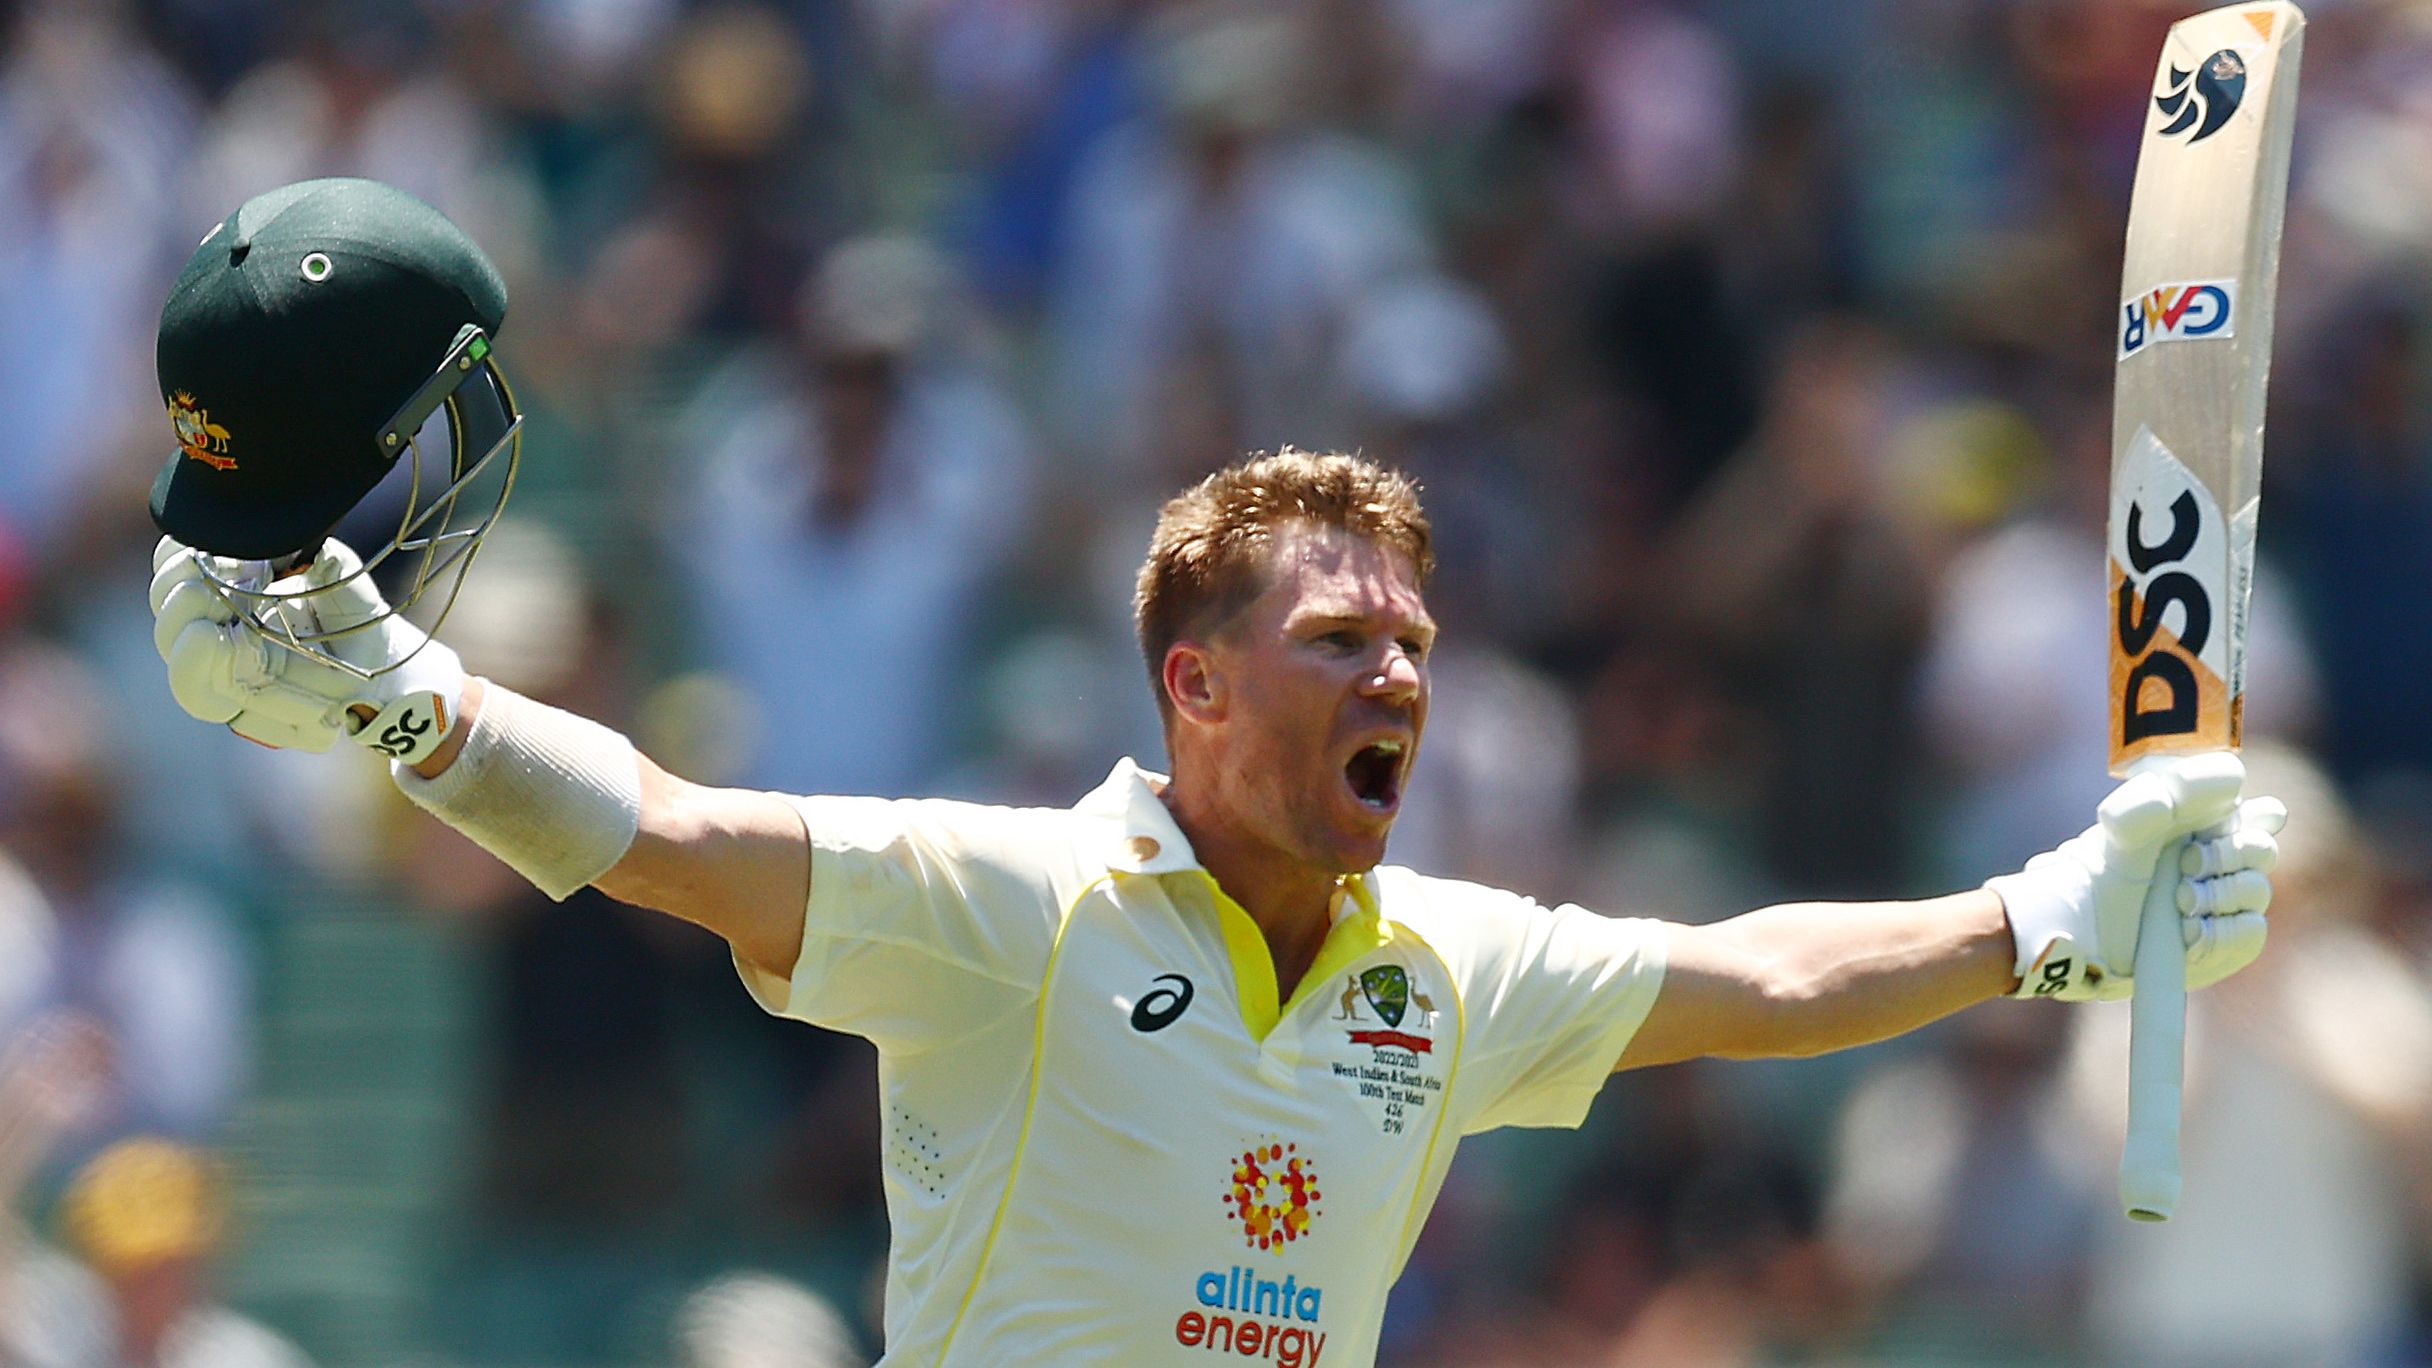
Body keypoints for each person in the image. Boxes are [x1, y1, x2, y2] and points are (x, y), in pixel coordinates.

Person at [140, 183, 2282, 1367]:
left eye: (1416, 649)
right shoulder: (1006, 910)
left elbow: (1763, 980)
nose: (1399, 684)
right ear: (1194, 688)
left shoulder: (1443, 970)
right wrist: (407, 704)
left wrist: (2044, 924)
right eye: (1340, 644)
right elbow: (671, 837)